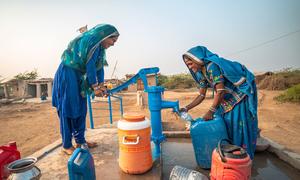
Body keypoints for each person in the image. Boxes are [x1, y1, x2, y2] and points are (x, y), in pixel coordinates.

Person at [52, 24, 119, 155]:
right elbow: (90, 66)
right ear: (104, 36)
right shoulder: (92, 43)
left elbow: (99, 69)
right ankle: (66, 145)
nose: (113, 44)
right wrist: (95, 86)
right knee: (68, 109)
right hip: (68, 75)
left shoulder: (100, 50)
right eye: (113, 40)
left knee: (81, 109)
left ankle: (80, 141)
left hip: (79, 78)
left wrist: (101, 86)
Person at [180, 46, 258, 159]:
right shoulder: (200, 73)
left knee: (237, 125)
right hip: (224, 98)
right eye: (187, 65)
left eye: (191, 63)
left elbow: (220, 91)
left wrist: (210, 111)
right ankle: (229, 153)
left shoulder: (212, 67)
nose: (190, 67)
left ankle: (242, 156)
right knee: (225, 124)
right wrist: (186, 108)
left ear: (198, 59)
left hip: (238, 95)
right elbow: (201, 95)